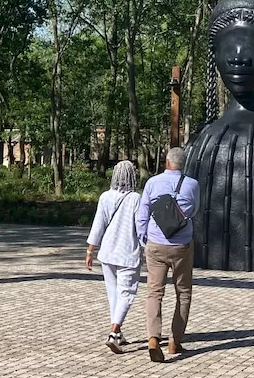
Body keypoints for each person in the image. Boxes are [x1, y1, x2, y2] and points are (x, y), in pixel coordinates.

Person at [135, 146, 199, 363]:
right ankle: (175, 340)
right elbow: (194, 211)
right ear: (184, 164)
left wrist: (143, 237)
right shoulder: (193, 185)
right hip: (182, 245)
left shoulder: (152, 183)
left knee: (154, 292)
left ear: (167, 162)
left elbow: (142, 214)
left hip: (156, 243)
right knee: (183, 292)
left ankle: (153, 338)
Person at [85, 160, 142, 354]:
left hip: (107, 253)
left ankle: (118, 332)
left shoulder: (105, 197)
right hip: (127, 252)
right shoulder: (136, 199)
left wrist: (90, 251)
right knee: (126, 293)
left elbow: (98, 225)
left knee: (113, 294)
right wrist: (147, 246)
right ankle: (113, 332)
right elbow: (141, 227)